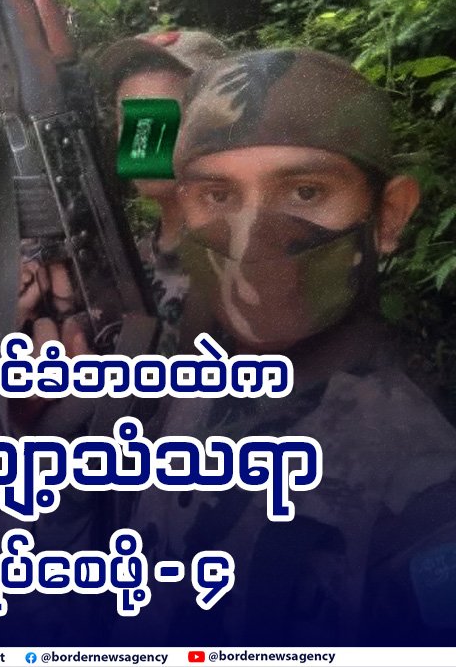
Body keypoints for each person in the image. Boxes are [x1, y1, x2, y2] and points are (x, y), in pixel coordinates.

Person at [120, 49, 456, 646]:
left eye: (304, 191)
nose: (252, 239)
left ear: (389, 215)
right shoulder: (197, 388)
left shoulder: (420, 488)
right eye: (217, 197)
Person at [98, 30, 227, 355]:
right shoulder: (128, 259)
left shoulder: (248, 265)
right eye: (129, 117)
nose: (141, 137)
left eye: (163, 115)